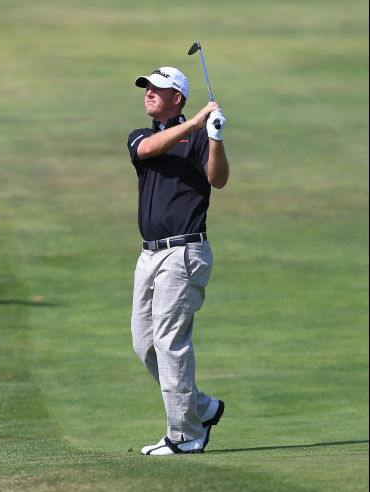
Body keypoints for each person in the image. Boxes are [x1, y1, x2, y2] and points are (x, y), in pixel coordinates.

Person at [126, 66, 229, 455]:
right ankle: (202, 408)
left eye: (158, 88)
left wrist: (214, 136)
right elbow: (149, 150)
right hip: (148, 255)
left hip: (183, 252)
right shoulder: (142, 136)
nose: (149, 92)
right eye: (147, 87)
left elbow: (217, 179)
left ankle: (185, 435)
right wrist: (198, 123)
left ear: (178, 98)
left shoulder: (201, 136)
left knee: (170, 342)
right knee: (145, 344)